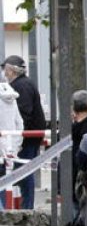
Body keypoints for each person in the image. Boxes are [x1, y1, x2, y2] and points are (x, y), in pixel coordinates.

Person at [5, 56, 46, 208]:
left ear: (11, 70)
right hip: (30, 135)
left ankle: (26, 207)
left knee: (24, 171)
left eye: (6, 69)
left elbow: (23, 113)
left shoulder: (20, 86)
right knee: (23, 171)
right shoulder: (25, 83)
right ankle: (25, 205)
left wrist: (18, 138)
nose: (4, 72)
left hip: (27, 137)